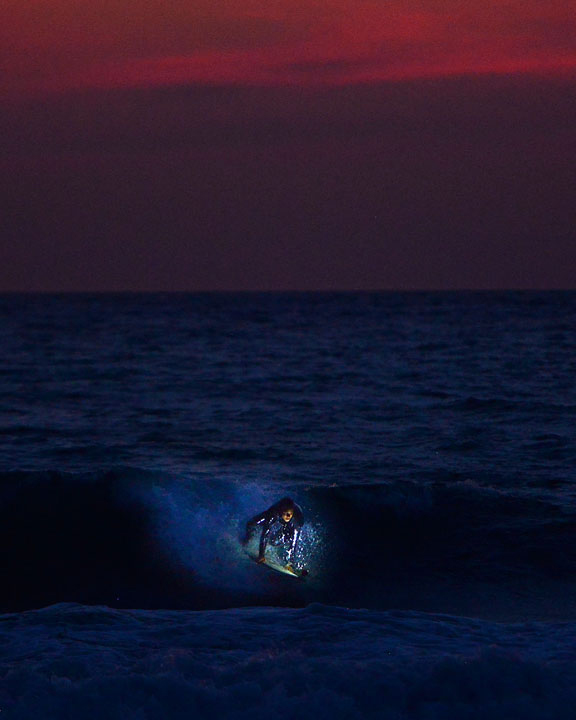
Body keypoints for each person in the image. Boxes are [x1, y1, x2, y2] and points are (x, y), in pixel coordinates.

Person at [243, 497, 304, 570]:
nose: (287, 517)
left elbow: (294, 543)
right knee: (250, 524)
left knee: (276, 541)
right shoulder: (273, 512)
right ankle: (246, 540)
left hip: (294, 520)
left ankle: (290, 563)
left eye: (289, 515)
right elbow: (265, 533)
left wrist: (290, 563)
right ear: (281, 512)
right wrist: (261, 555)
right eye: (285, 514)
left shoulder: (296, 520)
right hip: (277, 511)